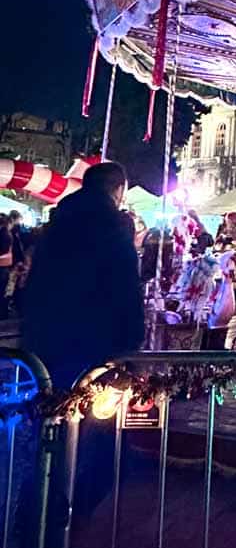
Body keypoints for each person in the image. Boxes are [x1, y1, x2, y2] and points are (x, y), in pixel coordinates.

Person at [23, 161, 145, 390]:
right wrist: (133, 335)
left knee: (48, 400)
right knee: (89, 404)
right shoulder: (112, 227)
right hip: (96, 332)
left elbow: (38, 276)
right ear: (119, 190)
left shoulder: (59, 222)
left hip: (48, 327)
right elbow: (125, 284)